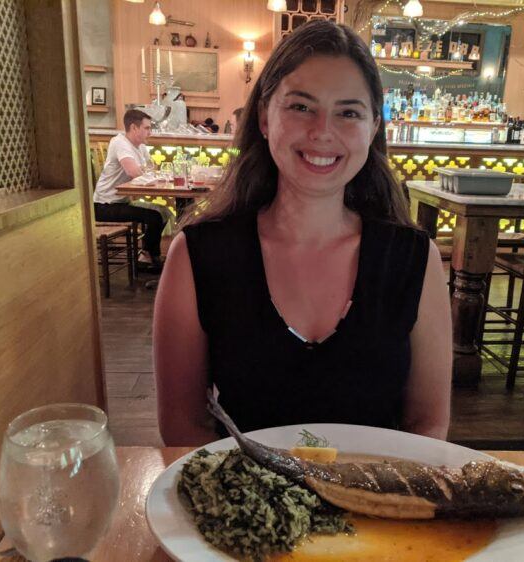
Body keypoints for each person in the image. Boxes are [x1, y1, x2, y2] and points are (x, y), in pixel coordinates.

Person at [153, 20, 452, 446]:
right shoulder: (198, 255)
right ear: (263, 117)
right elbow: (183, 427)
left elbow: (429, 424)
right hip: (246, 506)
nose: (322, 132)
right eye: (300, 107)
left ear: (373, 129)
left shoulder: (415, 259)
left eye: (349, 112)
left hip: (378, 507)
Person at [94, 109, 165, 269]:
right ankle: (147, 258)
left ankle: (148, 256)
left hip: (121, 202)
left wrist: (148, 172)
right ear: (134, 128)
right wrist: (148, 172)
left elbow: (151, 169)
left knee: (163, 212)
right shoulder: (120, 142)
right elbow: (133, 172)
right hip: (105, 205)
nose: (150, 132)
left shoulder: (140, 146)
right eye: (147, 128)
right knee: (155, 216)